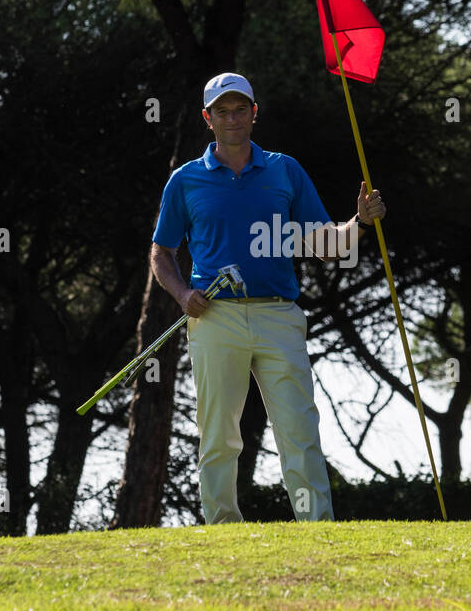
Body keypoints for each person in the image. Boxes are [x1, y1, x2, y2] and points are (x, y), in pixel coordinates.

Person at [150, 72, 387, 524]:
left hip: (279, 314)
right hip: (214, 317)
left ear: (255, 113)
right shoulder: (185, 180)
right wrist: (182, 294)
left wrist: (359, 223)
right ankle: (223, 529)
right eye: (223, 110)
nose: (233, 118)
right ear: (208, 118)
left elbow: (324, 242)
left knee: (298, 429)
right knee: (219, 433)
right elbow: (161, 251)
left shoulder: (284, 170)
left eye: (241, 109)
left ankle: (316, 527)